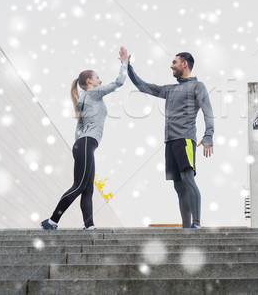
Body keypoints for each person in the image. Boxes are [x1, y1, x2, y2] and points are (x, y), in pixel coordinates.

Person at [41, 46, 129, 230]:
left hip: (84, 145)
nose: (100, 80)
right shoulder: (93, 94)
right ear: (89, 81)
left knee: (88, 189)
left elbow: (79, 128)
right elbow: (119, 81)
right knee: (80, 185)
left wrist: (79, 147)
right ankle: (51, 221)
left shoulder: (85, 99)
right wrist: (124, 62)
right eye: (97, 77)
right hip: (86, 144)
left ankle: (89, 226)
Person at [128, 52, 214, 229]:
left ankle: (196, 224)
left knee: (188, 179)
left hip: (185, 139)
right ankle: (185, 227)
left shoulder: (198, 86)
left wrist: (208, 136)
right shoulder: (170, 89)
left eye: (174, 62)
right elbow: (143, 86)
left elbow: (208, 112)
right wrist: (127, 67)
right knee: (178, 186)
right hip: (170, 141)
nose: (171, 66)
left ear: (184, 64)